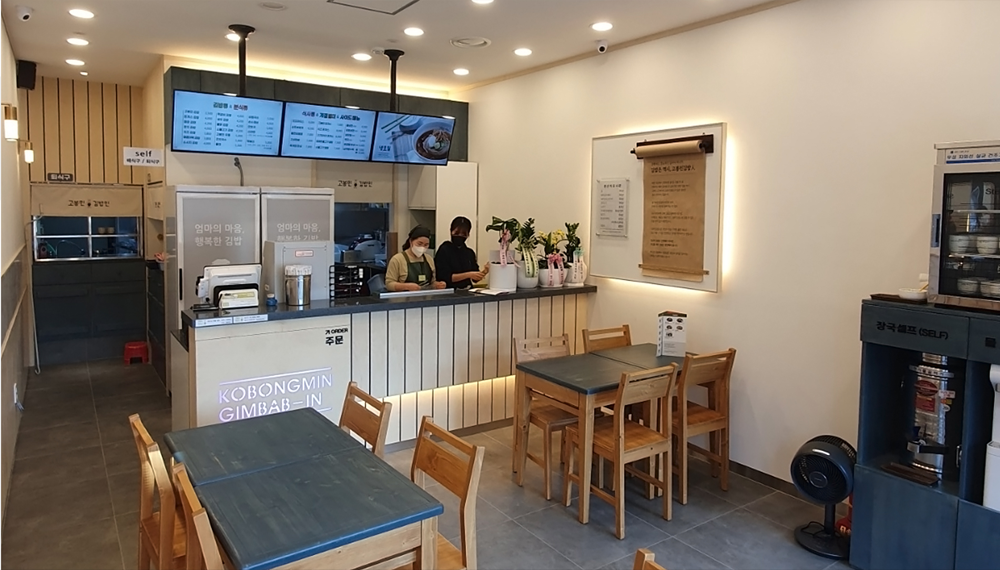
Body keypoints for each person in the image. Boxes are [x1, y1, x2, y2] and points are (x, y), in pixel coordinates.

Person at [385, 225, 446, 292]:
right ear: (411, 241)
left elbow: (432, 283)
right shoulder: (397, 259)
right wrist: (406, 286)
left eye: (426, 245)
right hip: (404, 297)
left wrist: (437, 285)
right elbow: (389, 284)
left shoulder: (429, 259)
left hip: (426, 297)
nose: (422, 247)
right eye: (419, 244)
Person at [434, 216, 488, 289]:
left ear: (468, 235)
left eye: (463, 234)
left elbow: (475, 279)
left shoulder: (469, 253)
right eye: (456, 233)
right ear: (451, 231)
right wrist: (469, 275)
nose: (460, 236)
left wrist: (485, 271)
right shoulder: (444, 250)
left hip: (467, 290)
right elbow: (445, 277)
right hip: (450, 291)